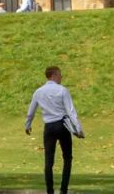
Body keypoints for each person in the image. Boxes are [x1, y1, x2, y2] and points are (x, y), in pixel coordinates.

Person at [26, 66, 83, 194]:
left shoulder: (39, 92)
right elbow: (71, 110)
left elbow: (31, 111)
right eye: (60, 75)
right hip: (62, 125)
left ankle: (49, 190)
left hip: (49, 126)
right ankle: (63, 189)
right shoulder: (62, 90)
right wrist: (78, 129)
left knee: (49, 159)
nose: (61, 77)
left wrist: (28, 124)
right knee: (67, 157)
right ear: (54, 75)